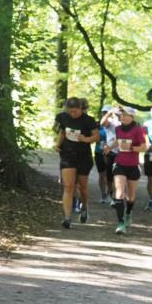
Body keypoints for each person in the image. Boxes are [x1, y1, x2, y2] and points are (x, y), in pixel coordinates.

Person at [54, 96, 98, 227]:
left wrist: (85, 139)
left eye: (75, 111)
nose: (73, 114)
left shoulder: (88, 120)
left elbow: (96, 137)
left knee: (82, 188)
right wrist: (58, 144)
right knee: (68, 186)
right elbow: (62, 132)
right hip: (67, 155)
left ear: (81, 109)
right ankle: (67, 218)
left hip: (84, 157)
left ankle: (84, 207)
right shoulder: (63, 117)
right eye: (70, 111)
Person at [110, 106, 147, 234]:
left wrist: (131, 148)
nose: (123, 117)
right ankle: (120, 223)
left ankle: (128, 212)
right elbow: (118, 141)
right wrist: (109, 147)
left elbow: (144, 147)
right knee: (119, 192)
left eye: (126, 115)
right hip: (119, 163)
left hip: (133, 165)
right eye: (121, 115)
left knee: (131, 196)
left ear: (132, 117)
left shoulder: (138, 130)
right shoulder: (117, 129)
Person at [99, 105, 121, 206]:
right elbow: (102, 123)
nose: (118, 113)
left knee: (119, 175)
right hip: (110, 152)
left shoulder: (124, 121)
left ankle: (118, 196)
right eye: (117, 111)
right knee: (110, 176)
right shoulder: (111, 121)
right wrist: (109, 112)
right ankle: (112, 195)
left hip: (122, 152)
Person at [94, 117, 110, 203]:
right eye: (104, 113)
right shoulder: (97, 125)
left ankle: (110, 194)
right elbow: (93, 137)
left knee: (109, 175)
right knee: (101, 175)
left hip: (110, 153)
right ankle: (103, 194)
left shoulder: (114, 126)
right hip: (99, 153)